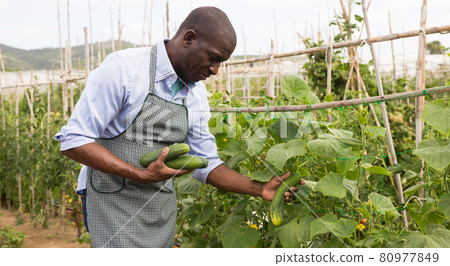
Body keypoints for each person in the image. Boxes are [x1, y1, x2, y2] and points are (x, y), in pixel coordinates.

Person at [55, 6, 302, 248]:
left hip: (157, 206)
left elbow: (206, 163)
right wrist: (140, 174)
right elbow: (74, 140)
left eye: (221, 63)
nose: (215, 70)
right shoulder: (125, 69)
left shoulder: (196, 95)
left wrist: (260, 189)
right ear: (189, 38)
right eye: (213, 58)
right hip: (111, 201)